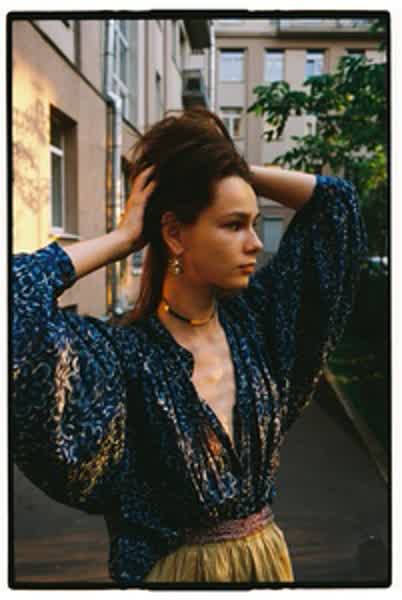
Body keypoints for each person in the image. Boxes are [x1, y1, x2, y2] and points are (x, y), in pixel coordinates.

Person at [12, 107, 368, 586]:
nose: (255, 243)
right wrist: (123, 238)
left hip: (269, 568)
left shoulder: (261, 326)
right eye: (234, 224)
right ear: (175, 234)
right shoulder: (123, 359)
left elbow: (337, 205)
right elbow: (15, 299)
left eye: (254, 223)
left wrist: (227, 165)